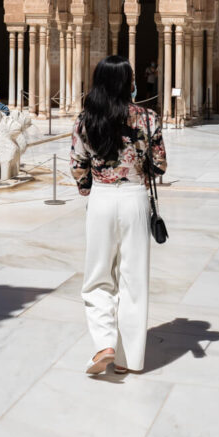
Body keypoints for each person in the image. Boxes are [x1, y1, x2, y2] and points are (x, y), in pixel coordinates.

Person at [70, 54, 167, 376]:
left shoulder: (86, 119)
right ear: (129, 82)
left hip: (101, 198)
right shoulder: (148, 118)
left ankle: (104, 344)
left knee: (98, 276)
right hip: (135, 198)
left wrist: (90, 187)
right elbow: (159, 165)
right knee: (133, 278)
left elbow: (77, 166)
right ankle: (128, 359)